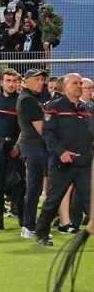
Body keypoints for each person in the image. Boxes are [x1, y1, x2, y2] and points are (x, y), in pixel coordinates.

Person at [33, 73, 93, 246]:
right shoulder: (54, 106)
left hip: (84, 163)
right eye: (75, 83)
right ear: (65, 86)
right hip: (62, 164)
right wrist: (61, 153)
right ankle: (41, 232)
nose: (79, 86)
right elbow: (47, 134)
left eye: (81, 83)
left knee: (91, 199)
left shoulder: (86, 108)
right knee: (53, 199)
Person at [0, 68, 25, 230]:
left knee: (19, 183)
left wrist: (17, 145)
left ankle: (23, 220)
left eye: (14, 81)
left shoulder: (22, 101)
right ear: (1, 82)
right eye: (8, 81)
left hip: (16, 146)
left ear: (18, 83)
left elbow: (25, 126)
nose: (11, 84)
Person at [16, 68, 49, 240]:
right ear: (25, 81)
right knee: (34, 188)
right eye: (37, 79)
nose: (40, 83)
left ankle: (29, 225)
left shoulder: (31, 99)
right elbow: (41, 129)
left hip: (32, 146)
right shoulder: (29, 100)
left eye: (42, 80)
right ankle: (29, 226)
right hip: (34, 147)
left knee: (34, 187)